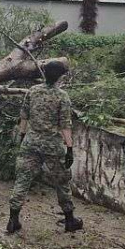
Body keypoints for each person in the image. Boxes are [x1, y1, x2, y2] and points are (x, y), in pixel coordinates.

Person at [7, 61, 83, 234]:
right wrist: (69, 148)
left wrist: (22, 137)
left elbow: (24, 117)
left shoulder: (32, 91)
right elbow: (65, 125)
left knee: (22, 179)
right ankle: (70, 220)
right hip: (52, 146)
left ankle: (13, 220)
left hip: (31, 142)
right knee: (62, 181)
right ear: (60, 77)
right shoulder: (62, 96)